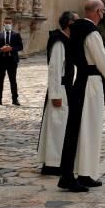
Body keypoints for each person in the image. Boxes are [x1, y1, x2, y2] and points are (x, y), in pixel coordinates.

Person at [58, 0, 105, 192]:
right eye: (103, 11)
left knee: (82, 129)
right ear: (98, 11)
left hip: (81, 82)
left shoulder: (76, 29)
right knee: (86, 128)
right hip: (91, 84)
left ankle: (84, 173)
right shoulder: (91, 33)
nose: (104, 14)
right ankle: (70, 176)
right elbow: (102, 61)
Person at [38, 11, 76, 176]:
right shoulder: (59, 42)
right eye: (76, 21)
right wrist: (55, 95)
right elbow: (54, 69)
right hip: (59, 89)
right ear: (69, 23)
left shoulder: (66, 41)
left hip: (65, 88)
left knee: (61, 127)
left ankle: (58, 162)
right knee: (57, 128)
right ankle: (53, 164)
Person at [0, 16, 23, 105]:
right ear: (3, 24)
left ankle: (15, 99)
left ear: (12, 24)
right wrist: (1, 49)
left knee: (13, 80)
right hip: (0, 61)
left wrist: (11, 49)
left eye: (9, 23)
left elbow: (20, 46)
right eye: (6, 23)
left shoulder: (16, 35)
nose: (8, 24)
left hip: (12, 60)